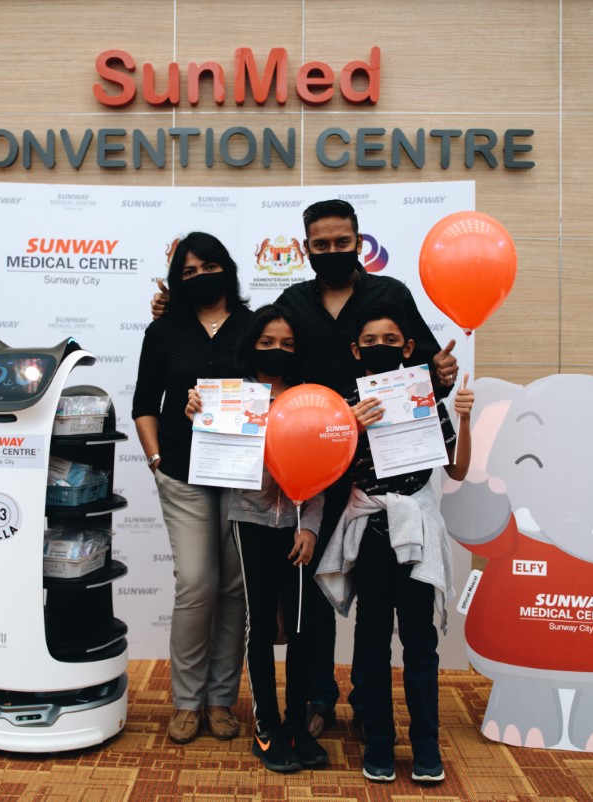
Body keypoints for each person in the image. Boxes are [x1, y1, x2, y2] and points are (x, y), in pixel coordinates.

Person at [150, 199, 461, 737]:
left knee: (373, 592)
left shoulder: (392, 296)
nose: (333, 252)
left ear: (359, 241)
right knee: (310, 589)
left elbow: (427, 371)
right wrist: (171, 309)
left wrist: (446, 375)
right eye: (322, 245)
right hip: (308, 463)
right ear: (306, 248)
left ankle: (369, 707)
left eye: (343, 243)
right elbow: (256, 344)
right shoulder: (292, 301)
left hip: (371, 465)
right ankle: (317, 698)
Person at [316, 301, 472, 783]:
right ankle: (380, 740)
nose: (379, 347)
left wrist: (463, 417)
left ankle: (427, 743)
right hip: (370, 532)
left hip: (415, 533)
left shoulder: (425, 399)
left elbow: (458, 469)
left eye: (390, 341)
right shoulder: (343, 407)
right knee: (371, 638)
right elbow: (324, 471)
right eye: (370, 341)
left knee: (421, 643)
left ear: (408, 348)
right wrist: (349, 429)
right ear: (354, 349)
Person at [185, 305, 329, 773]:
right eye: (268, 342)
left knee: (305, 630)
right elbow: (214, 452)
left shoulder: (310, 398)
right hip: (250, 521)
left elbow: (321, 467)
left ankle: (294, 725)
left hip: (298, 527)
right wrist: (199, 414)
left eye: (287, 343)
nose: (278, 350)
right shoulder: (233, 396)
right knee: (262, 627)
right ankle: (267, 727)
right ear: (252, 344)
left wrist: (310, 526)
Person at [132, 231, 250, 744]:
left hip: (245, 476)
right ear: (178, 281)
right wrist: (156, 459)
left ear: (227, 267)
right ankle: (186, 701)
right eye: (189, 271)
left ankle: (222, 699)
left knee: (233, 588)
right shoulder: (163, 331)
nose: (201, 276)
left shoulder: (255, 326)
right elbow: (143, 402)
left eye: (209, 266)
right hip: (181, 473)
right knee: (198, 583)